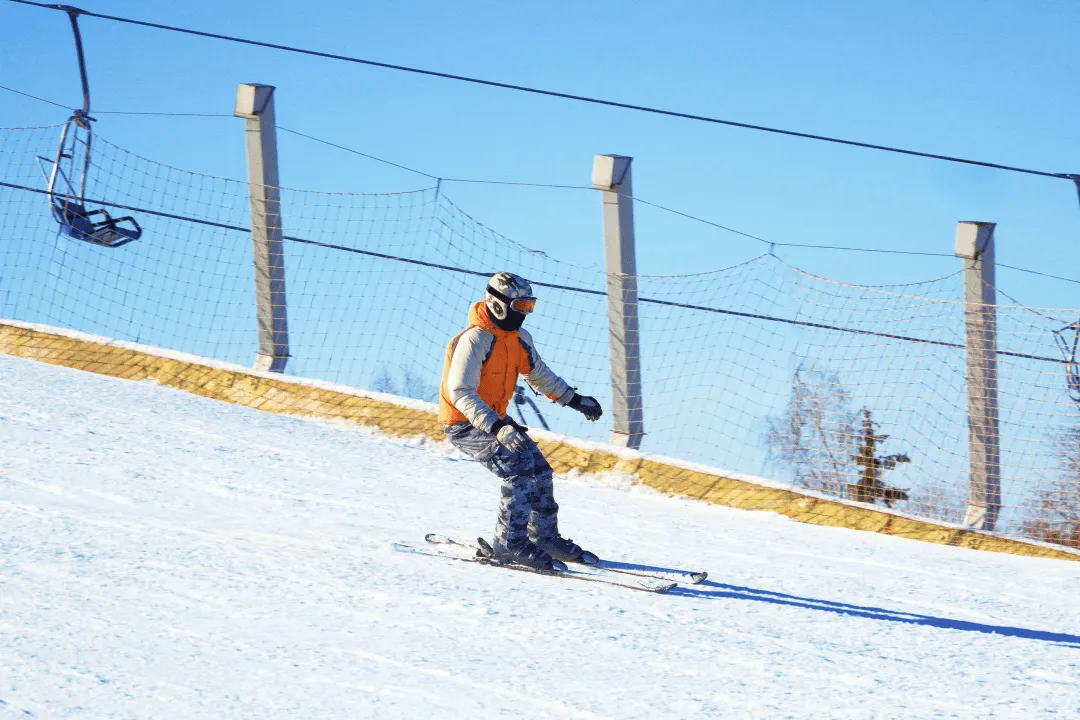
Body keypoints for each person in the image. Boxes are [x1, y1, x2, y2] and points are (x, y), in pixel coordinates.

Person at [439, 272, 604, 572]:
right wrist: (497, 427)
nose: (525, 314)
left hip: (495, 421)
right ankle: (509, 543)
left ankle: (543, 537)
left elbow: (538, 373)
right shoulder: (474, 339)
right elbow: (460, 392)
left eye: (530, 307)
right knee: (516, 469)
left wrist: (574, 399)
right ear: (499, 304)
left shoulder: (518, 340)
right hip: (465, 423)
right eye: (521, 306)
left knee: (540, 469)